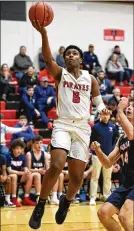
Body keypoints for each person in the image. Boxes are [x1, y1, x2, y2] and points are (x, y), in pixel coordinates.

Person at [28, 19, 109, 229]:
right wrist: (44, 33)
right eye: (67, 54)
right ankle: (41, 204)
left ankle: (67, 201)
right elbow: (47, 58)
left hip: (82, 127)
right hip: (63, 124)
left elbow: (98, 102)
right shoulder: (59, 74)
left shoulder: (90, 78)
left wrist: (103, 110)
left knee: (76, 178)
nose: (70, 55)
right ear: (64, 59)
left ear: (81, 59)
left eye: (74, 53)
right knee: (55, 165)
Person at [91, 97, 134, 231]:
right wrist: (98, 151)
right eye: (128, 106)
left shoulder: (131, 132)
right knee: (103, 213)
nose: (129, 108)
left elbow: (131, 134)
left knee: (124, 216)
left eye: (132, 107)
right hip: (127, 183)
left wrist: (119, 109)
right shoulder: (121, 139)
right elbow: (108, 163)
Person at [89, 111, 118, 205]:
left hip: (108, 157)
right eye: (103, 114)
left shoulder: (113, 127)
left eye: (107, 115)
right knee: (94, 177)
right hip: (96, 156)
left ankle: (106, 195)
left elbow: (114, 140)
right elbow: (91, 141)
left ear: (109, 116)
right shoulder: (95, 127)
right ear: (100, 115)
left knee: (107, 178)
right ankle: (92, 197)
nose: (105, 116)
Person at [7, 139, 36, 207]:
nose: (19, 150)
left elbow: (25, 168)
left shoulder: (23, 156)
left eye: (20, 148)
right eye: (17, 148)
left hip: (20, 177)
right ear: (13, 149)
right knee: (14, 175)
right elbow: (9, 170)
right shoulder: (8, 156)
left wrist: (27, 172)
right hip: (10, 176)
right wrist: (20, 173)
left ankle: (26, 197)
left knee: (29, 175)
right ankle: (14, 199)